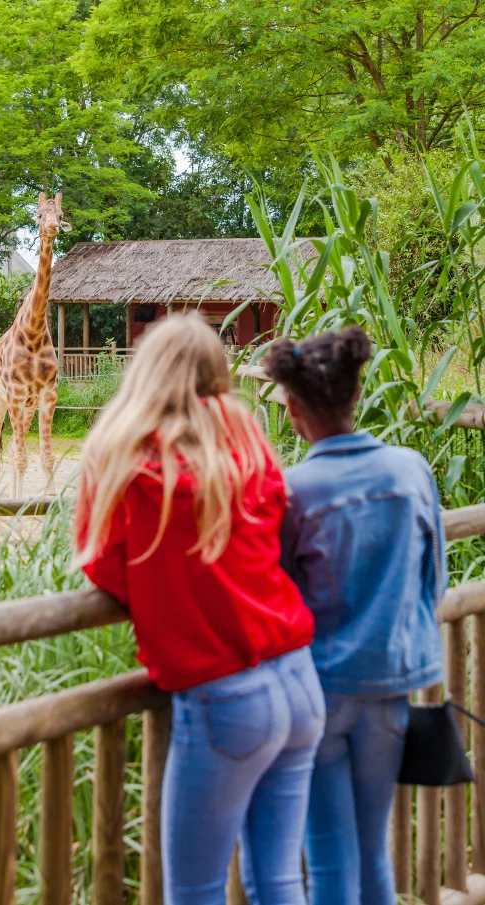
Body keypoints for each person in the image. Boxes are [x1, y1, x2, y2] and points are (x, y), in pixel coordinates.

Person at [74, 313, 324, 905]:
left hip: (227, 695)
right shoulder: (248, 446)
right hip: (297, 677)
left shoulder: (133, 462)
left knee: (195, 891)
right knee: (279, 881)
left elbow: (104, 562)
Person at [265, 326, 446, 905]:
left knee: (327, 859)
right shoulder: (410, 471)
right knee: (372, 852)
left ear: (291, 407)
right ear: (357, 393)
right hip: (389, 689)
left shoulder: (293, 491)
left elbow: (281, 596)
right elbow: (433, 580)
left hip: (317, 693)